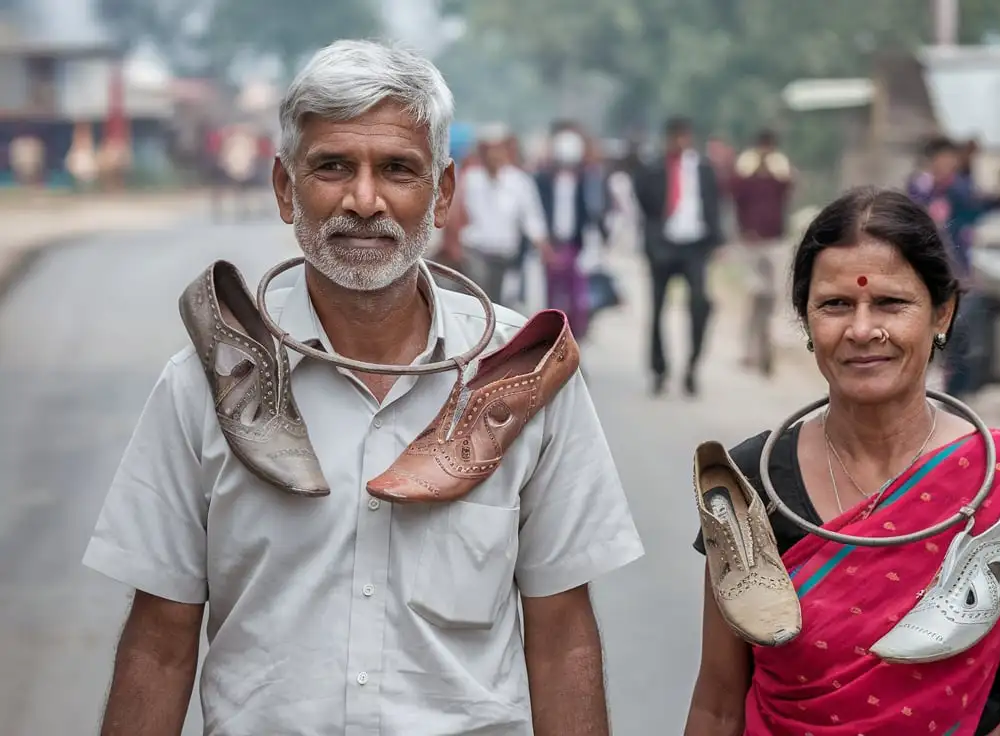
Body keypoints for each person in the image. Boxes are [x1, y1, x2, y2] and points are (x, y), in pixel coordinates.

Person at [81, 39, 644, 736]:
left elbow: (561, 637)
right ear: (286, 188)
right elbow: (161, 641)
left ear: (441, 194)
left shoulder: (526, 376)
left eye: (398, 169)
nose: (364, 199)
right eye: (332, 167)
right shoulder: (204, 383)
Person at [684, 187, 1000, 735]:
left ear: (943, 313)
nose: (863, 331)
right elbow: (717, 704)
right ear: (807, 321)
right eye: (836, 305)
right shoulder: (746, 484)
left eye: (890, 303)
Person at [906, 136, 1000, 398]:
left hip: (958, 274)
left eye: (951, 159)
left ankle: (956, 393)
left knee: (960, 330)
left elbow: (984, 205)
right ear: (931, 161)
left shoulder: (960, 190)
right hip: (924, 273)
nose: (947, 164)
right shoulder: (918, 190)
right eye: (942, 159)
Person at [634, 116, 724, 397]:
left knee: (699, 305)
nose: (680, 143)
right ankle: (659, 369)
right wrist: (652, 240)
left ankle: (692, 366)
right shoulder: (653, 168)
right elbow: (644, 203)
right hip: (664, 245)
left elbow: (714, 203)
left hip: (694, 246)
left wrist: (717, 240)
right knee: (658, 310)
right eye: (675, 138)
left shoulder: (704, 169)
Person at [455, 123, 554, 304]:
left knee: (502, 306)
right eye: (488, 150)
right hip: (477, 254)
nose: (493, 155)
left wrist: (542, 245)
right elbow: (458, 214)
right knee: (479, 304)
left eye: (497, 149)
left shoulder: (519, 181)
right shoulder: (471, 179)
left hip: (506, 258)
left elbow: (532, 218)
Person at [535, 124, 609, 342]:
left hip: (575, 247)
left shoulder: (587, 182)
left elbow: (594, 214)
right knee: (553, 298)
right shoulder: (543, 181)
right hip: (552, 245)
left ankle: (574, 341)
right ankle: (552, 343)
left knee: (578, 300)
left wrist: (595, 246)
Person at [730, 128, 794, 376]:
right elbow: (735, 193)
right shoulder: (746, 167)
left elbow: (788, 189)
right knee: (753, 295)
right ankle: (749, 350)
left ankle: (766, 349)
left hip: (774, 239)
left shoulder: (780, 167)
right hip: (751, 241)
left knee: (771, 298)